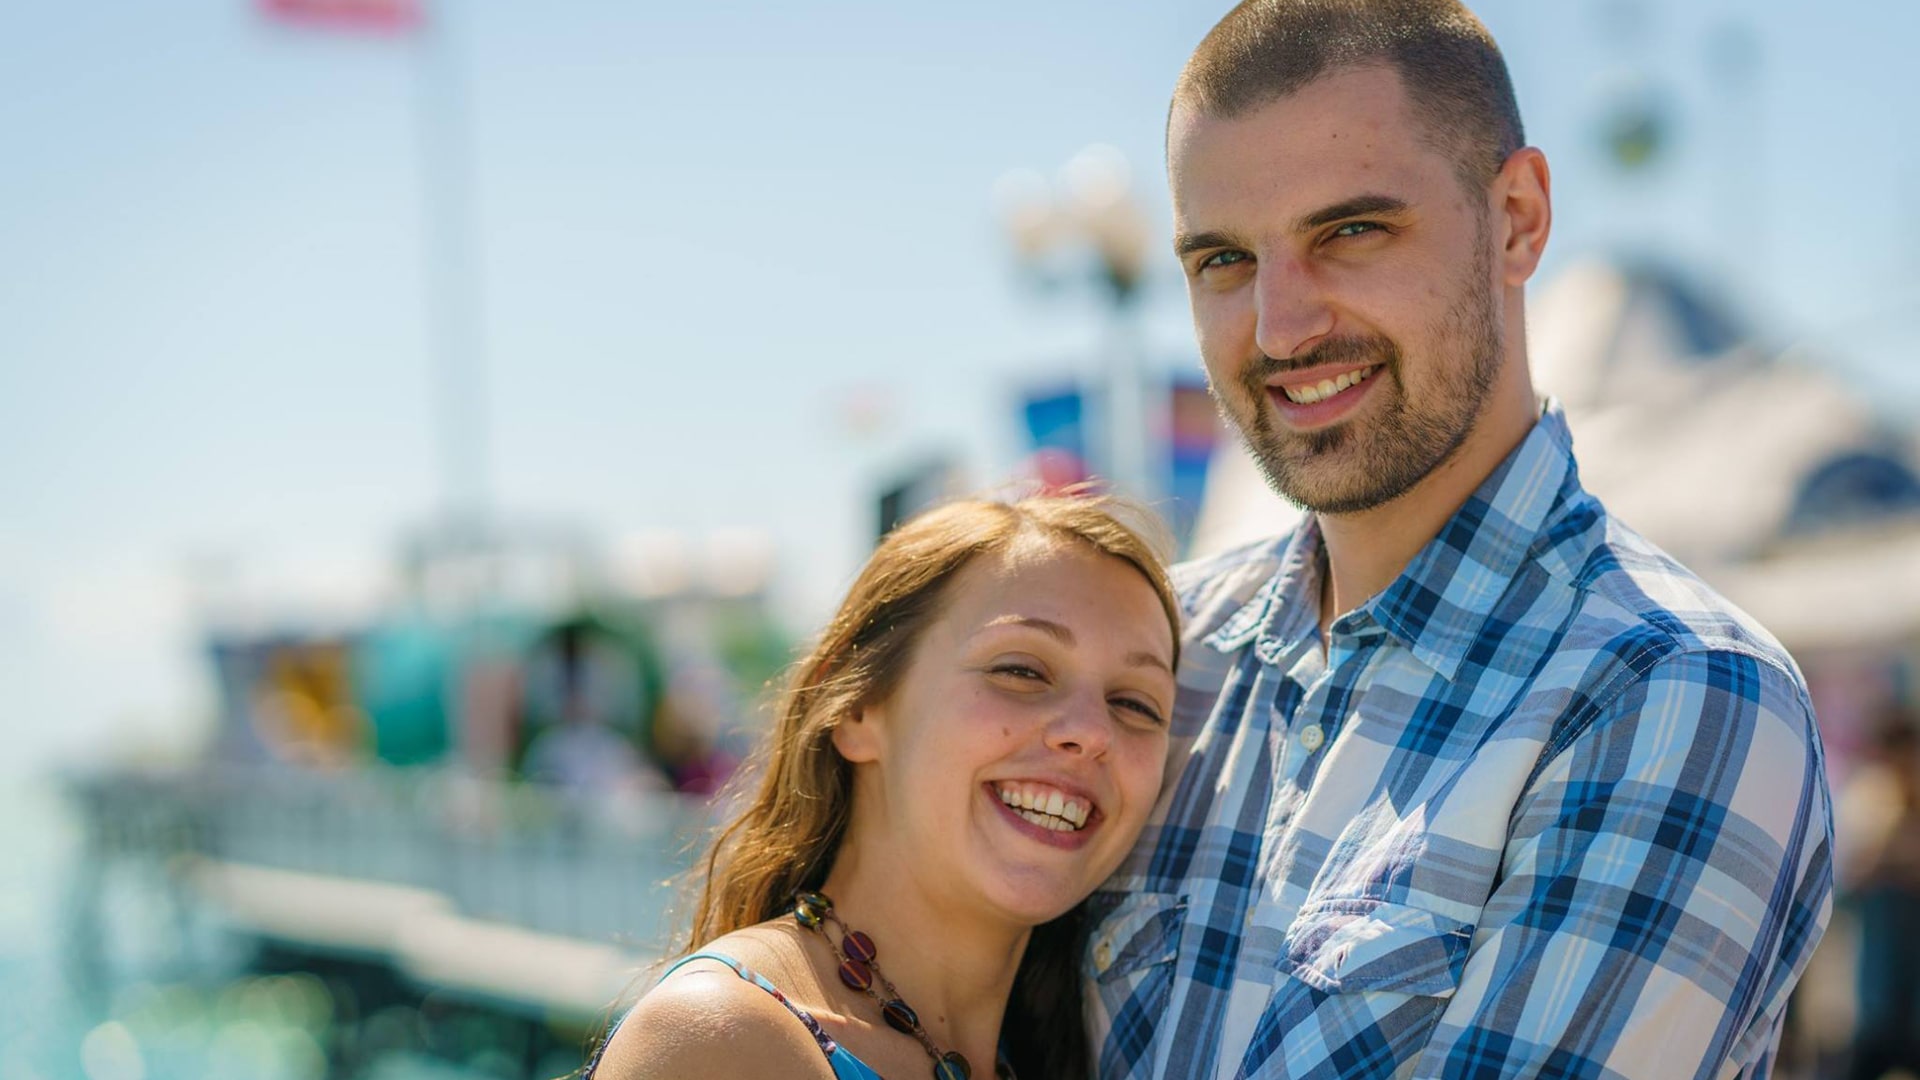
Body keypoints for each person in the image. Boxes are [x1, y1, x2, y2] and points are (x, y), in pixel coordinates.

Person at [1087, 2, 1834, 1077]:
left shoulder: (1674, 693)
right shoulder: (1159, 657)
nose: (1280, 326)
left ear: (1520, 219)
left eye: (1350, 231)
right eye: (1223, 261)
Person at [589, 495, 1181, 1080]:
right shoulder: (727, 1042)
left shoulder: (1054, 1056)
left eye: (1136, 704)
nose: (1090, 731)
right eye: (1021, 670)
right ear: (857, 709)